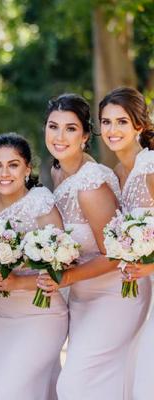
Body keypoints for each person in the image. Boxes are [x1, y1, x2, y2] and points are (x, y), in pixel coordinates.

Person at [44, 93, 150, 399]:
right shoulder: (110, 171)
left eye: (71, 128)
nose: (60, 136)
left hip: (118, 292)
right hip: (85, 297)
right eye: (53, 126)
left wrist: (63, 278)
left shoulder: (100, 181)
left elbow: (113, 252)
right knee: (110, 380)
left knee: (75, 385)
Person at [0, 133, 68, 400]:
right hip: (2, 318)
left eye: (13, 165)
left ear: (27, 169)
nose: (4, 173)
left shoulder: (40, 203)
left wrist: (19, 282)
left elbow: (63, 266)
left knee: (12, 392)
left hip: (42, 315)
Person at [99, 86, 154, 400]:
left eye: (121, 121)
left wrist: (149, 266)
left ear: (139, 126)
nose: (112, 129)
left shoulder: (150, 167)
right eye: (106, 122)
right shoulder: (116, 173)